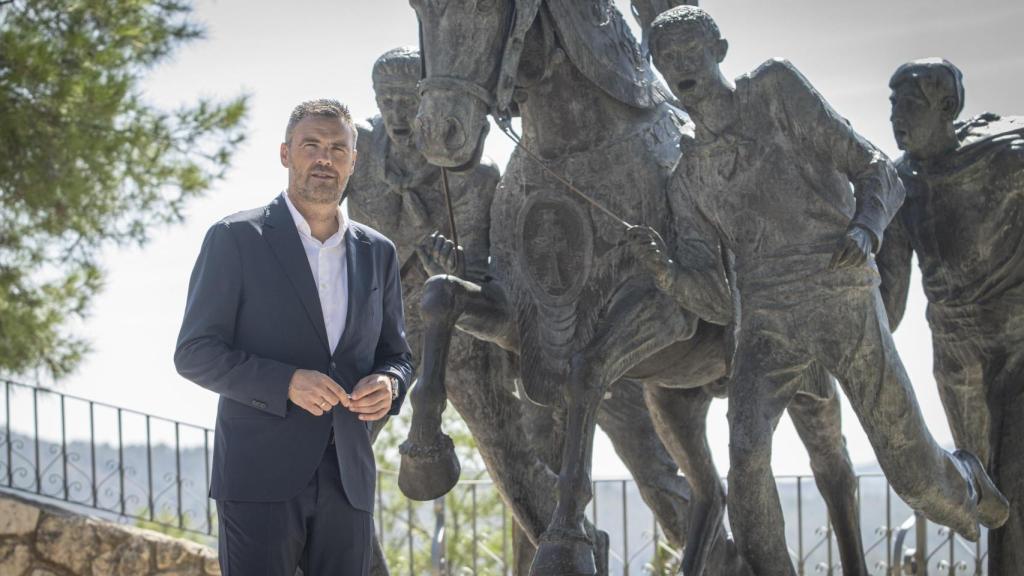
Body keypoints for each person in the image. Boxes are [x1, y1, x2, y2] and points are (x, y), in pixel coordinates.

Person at [629, 6, 1009, 574]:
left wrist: (867, 226)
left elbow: (876, 169)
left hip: (842, 297)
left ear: (720, 50)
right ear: (655, 67)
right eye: (667, 57)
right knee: (747, 462)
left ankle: (967, 480)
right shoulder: (688, 181)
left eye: (691, 50)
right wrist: (666, 274)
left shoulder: (777, 89)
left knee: (914, 477)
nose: (681, 66)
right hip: (764, 326)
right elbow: (712, 297)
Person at [174, 99, 413, 576]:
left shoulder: (378, 253)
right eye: (311, 145)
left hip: (349, 477)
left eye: (337, 148)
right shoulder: (235, 238)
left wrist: (390, 383)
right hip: (258, 476)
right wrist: (286, 382)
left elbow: (398, 355)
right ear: (286, 154)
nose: (325, 157)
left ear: (353, 161)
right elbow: (194, 353)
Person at [879, 58, 1024, 575]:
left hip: (1018, 346)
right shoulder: (899, 184)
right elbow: (889, 304)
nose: (896, 116)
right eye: (892, 104)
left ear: (946, 107)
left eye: (909, 105)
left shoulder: (1008, 158)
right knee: (993, 499)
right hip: (958, 361)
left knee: (1016, 475)